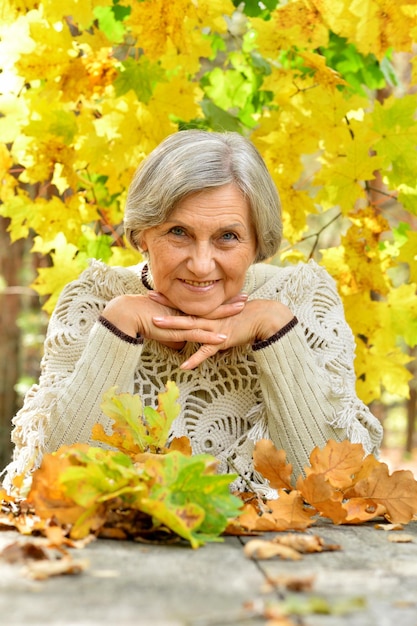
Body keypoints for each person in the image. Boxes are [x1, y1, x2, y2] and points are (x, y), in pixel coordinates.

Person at [2, 130, 383, 496]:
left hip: (270, 557)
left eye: (228, 237)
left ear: (257, 243)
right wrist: (115, 331)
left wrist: (276, 331)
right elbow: (48, 485)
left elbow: (342, 493)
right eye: (179, 232)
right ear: (142, 236)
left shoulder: (302, 298)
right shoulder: (95, 299)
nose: (201, 265)